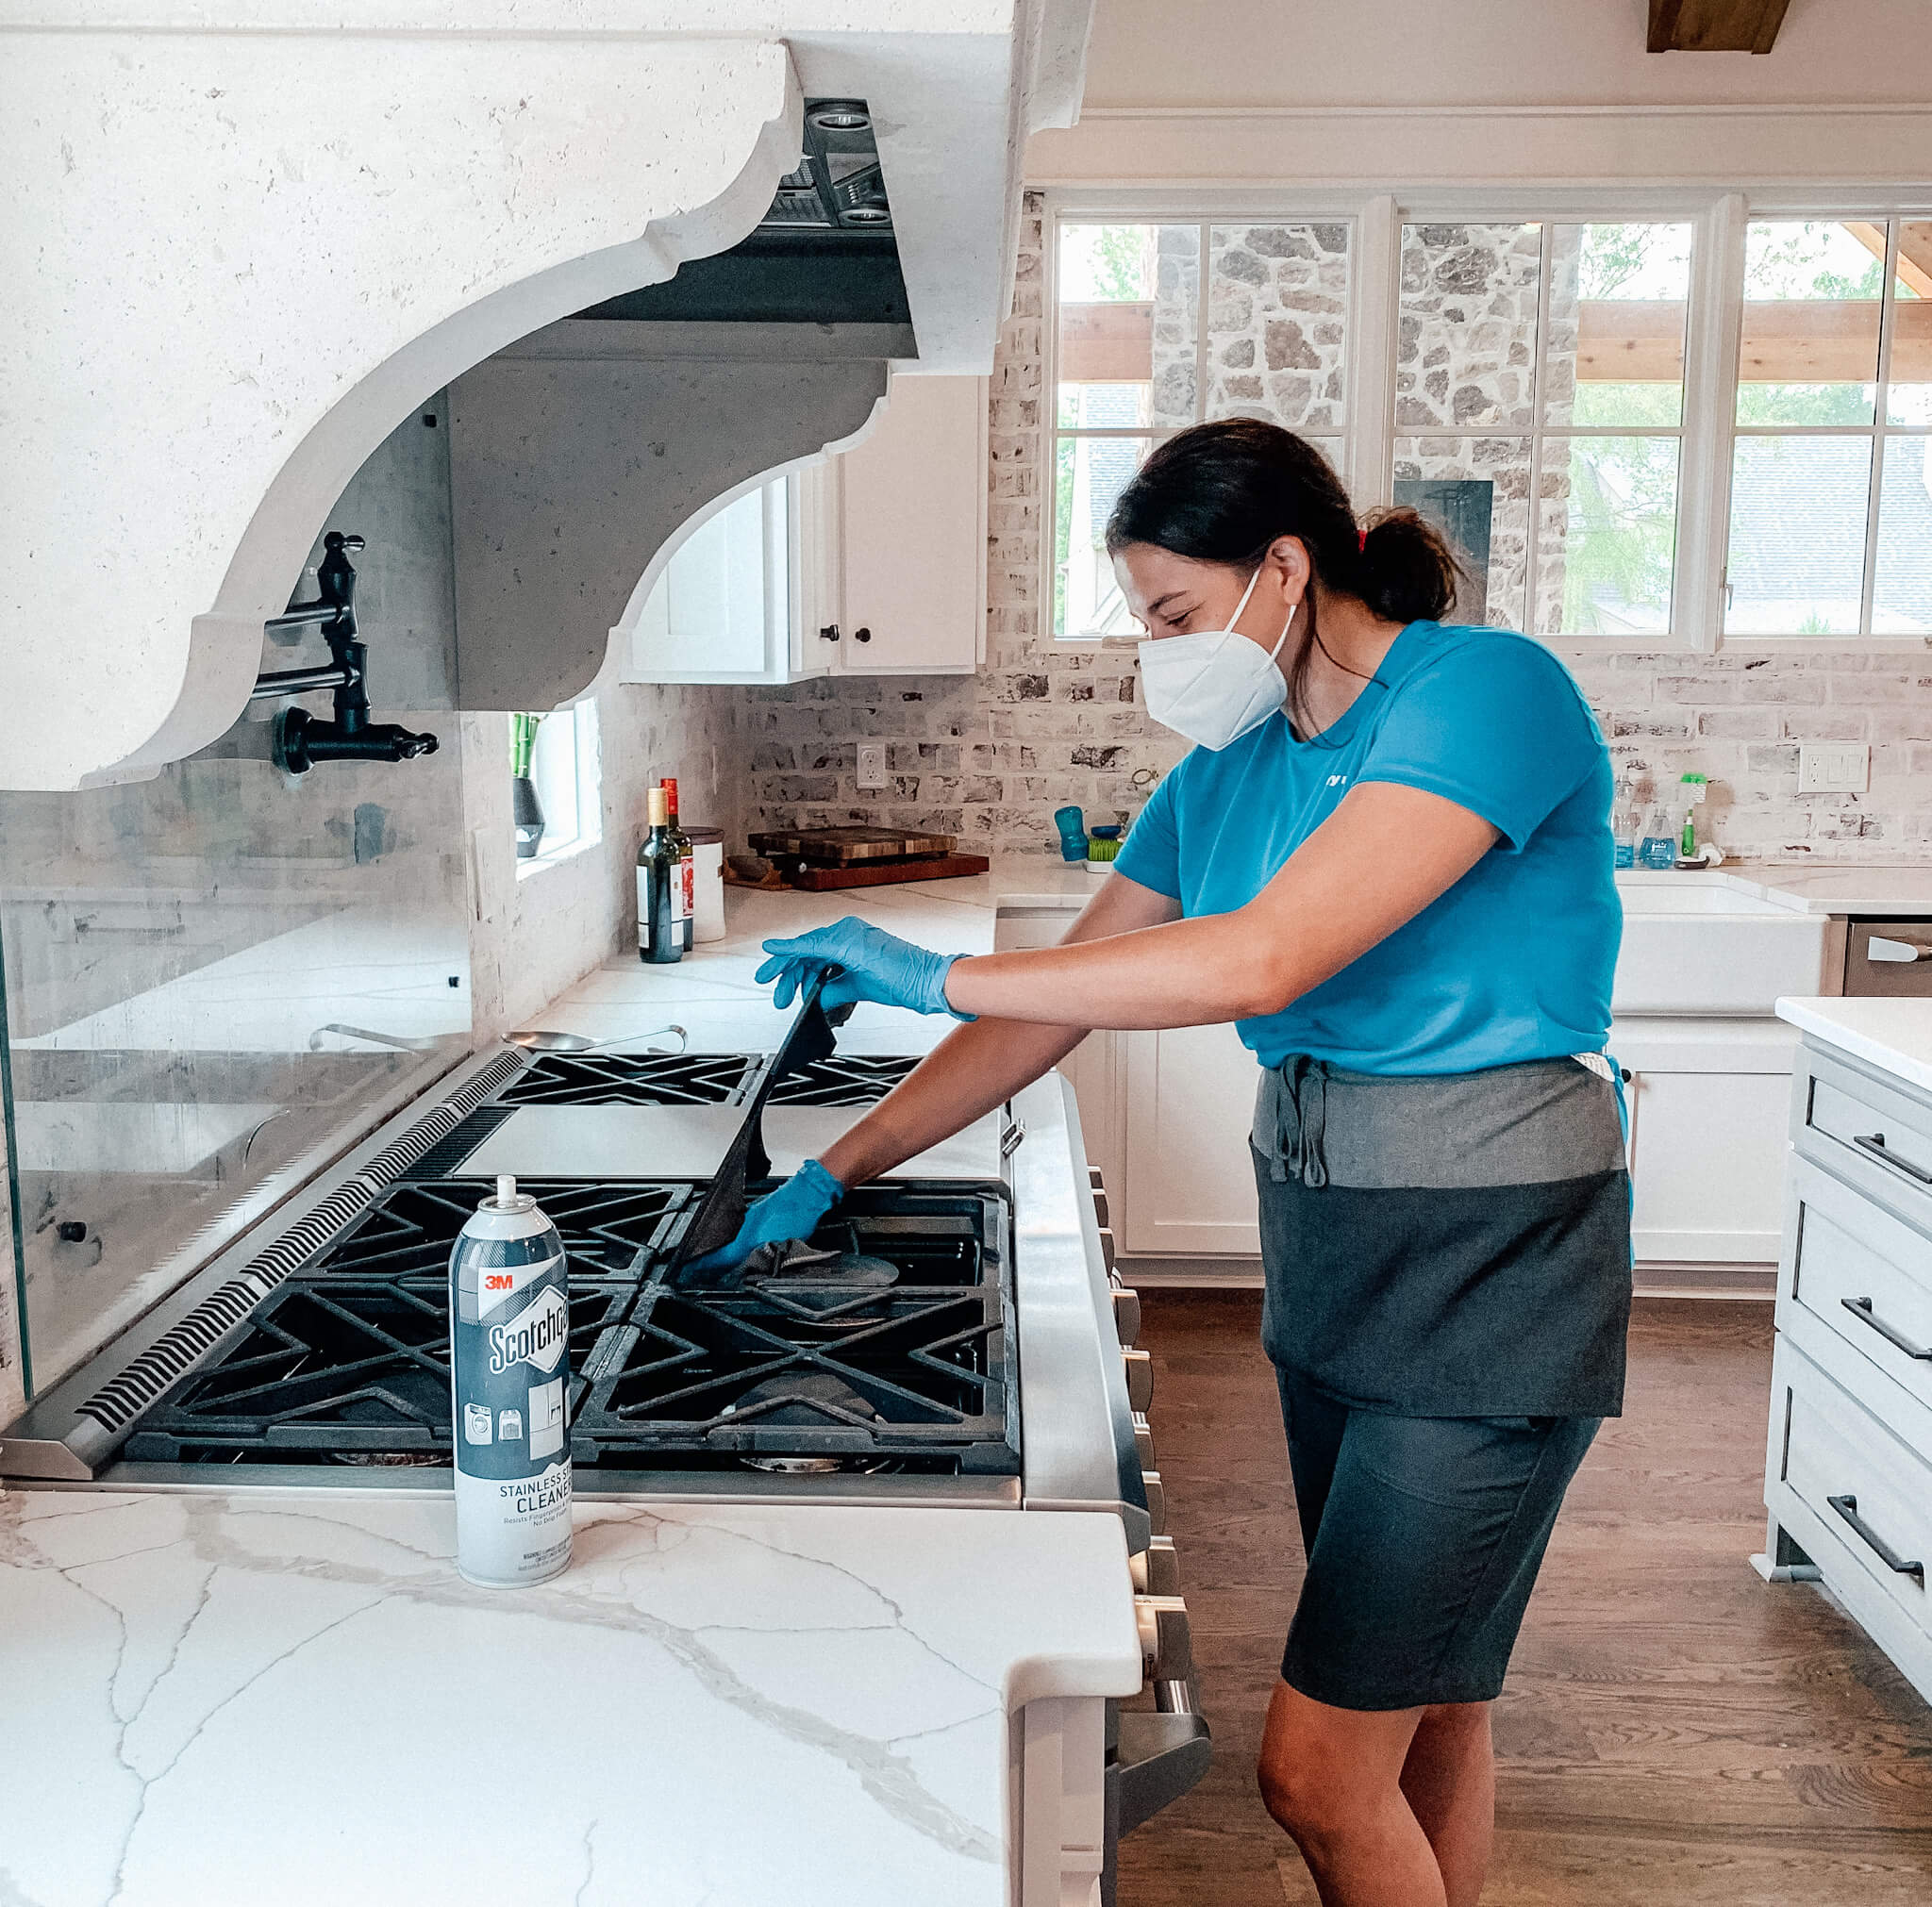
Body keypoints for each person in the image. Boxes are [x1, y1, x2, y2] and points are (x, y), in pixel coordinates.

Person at [691, 418, 1629, 1907]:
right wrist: (842, 1165)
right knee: (1433, 1692)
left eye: (1174, 614)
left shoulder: (1486, 693)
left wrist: (934, 976)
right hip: (1330, 1246)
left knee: (1315, 1772)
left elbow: (1265, 956)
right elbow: (1057, 1006)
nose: (1162, 649)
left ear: (1283, 565)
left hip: (1495, 1253)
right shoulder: (1229, 773)